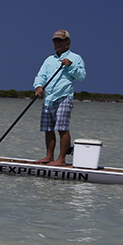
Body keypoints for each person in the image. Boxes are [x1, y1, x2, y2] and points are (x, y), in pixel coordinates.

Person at [33, 29, 86, 166]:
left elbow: (81, 76)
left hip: (64, 97)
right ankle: (49, 157)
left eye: (60, 40)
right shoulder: (49, 59)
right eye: (55, 41)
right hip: (48, 99)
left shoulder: (76, 58)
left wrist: (71, 66)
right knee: (48, 129)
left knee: (62, 127)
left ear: (67, 42)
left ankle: (61, 159)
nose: (57, 43)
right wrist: (38, 86)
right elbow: (41, 75)